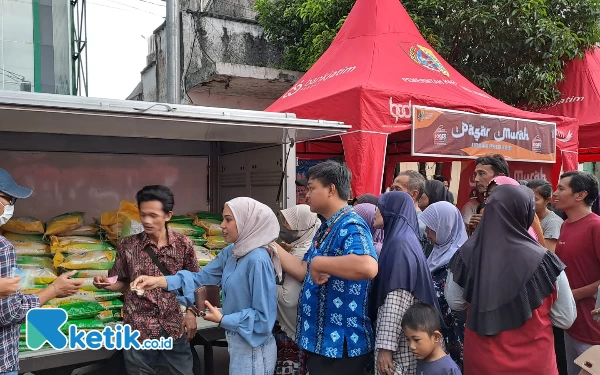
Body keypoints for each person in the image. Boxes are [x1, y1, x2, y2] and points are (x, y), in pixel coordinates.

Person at [132, 197, 279, 374]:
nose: (222, 225)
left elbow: (263, 317)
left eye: (229, 219)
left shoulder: (258, 260)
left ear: (247, 222)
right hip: (238, 342)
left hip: (254, 349)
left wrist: (224, 319)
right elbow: (201, 279)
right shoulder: (232, 252)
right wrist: (159, 281)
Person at [445, 184, 577, 375]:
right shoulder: (546, 261)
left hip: (482, 362)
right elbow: (565, 319)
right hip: (535, 364)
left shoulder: (465, 254)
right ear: (526, 214)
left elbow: (455, 302)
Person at [276, 160, 379, 374]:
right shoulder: (326, 227)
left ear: (331, 189)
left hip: (340, 348)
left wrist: (320, 262)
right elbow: (305, 270)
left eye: (311, 188)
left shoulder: (351, 224)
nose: (306, 195)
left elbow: (368, 266)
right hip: (322, 344)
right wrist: (270, 246)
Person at [94, 185, 199, 375]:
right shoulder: (128, 245)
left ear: (168, 215)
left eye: (153, 215)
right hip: (138, 327)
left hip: (174, 325)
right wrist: (107, 284)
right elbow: (124, 283)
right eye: (143, 215)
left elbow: (196, 282)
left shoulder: (183, 245)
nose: (147, 221)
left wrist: (191, 313)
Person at [0, 168, 83, 375]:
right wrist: (54, 290)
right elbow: (10, 313)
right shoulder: (3, 247)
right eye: (9, 199)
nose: (11, 206)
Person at [372, 191, 440, 375]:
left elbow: (396, 298)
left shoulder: (399, 245)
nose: (376, 212)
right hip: (406, 337)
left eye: (381, 207)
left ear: (392, 211)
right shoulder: (404, 239)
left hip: (401, 343)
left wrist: (386, 348)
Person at [553, 171, 600, 375]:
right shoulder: (564, 225)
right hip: (570, 321)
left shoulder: (596, 226)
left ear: (580, 195)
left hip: (593, 326)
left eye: (561, 188)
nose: (555, 193)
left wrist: (574, 295)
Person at [420, 201, 467, 369]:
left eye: (432, 226)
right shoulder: (436, 251)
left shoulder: (460, 258)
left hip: (453, 333)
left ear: (444, 226)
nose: (427, 231)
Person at [275, 204, 320, 375]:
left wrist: (262, 286)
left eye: (289, 224)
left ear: (303, 227)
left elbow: (289, 298)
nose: (285, 228)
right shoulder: (306, 244)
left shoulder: (303, 252)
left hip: (294, 332)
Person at [401, 302, 462, 375]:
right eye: (408, 339)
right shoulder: (421, 360)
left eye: (416, 340)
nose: (411, 346)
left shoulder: (449, 370)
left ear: (436, 337)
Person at [486, 176, 546, 246]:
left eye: (500, 195)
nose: (493, 199)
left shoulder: (528, 236)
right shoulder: (485, 228)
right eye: (489, 194)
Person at [463, 154, 509, 233]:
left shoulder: (516, 205)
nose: (476, 179)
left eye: (482, 173)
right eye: (475, 175)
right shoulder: (479, 205)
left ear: (500, 176)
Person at [391, 171, 428, 249]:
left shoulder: (420, 225)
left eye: (398, 189)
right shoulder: (395, 218)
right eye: (392, 189)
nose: (392, 193)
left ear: (414, 194)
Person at [526, 179, 564, 252]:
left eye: (535, 199)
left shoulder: (553, 223)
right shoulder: (526, 217)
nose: (529, 202)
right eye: (527, 198)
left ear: (548, 200)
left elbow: (547, 254)